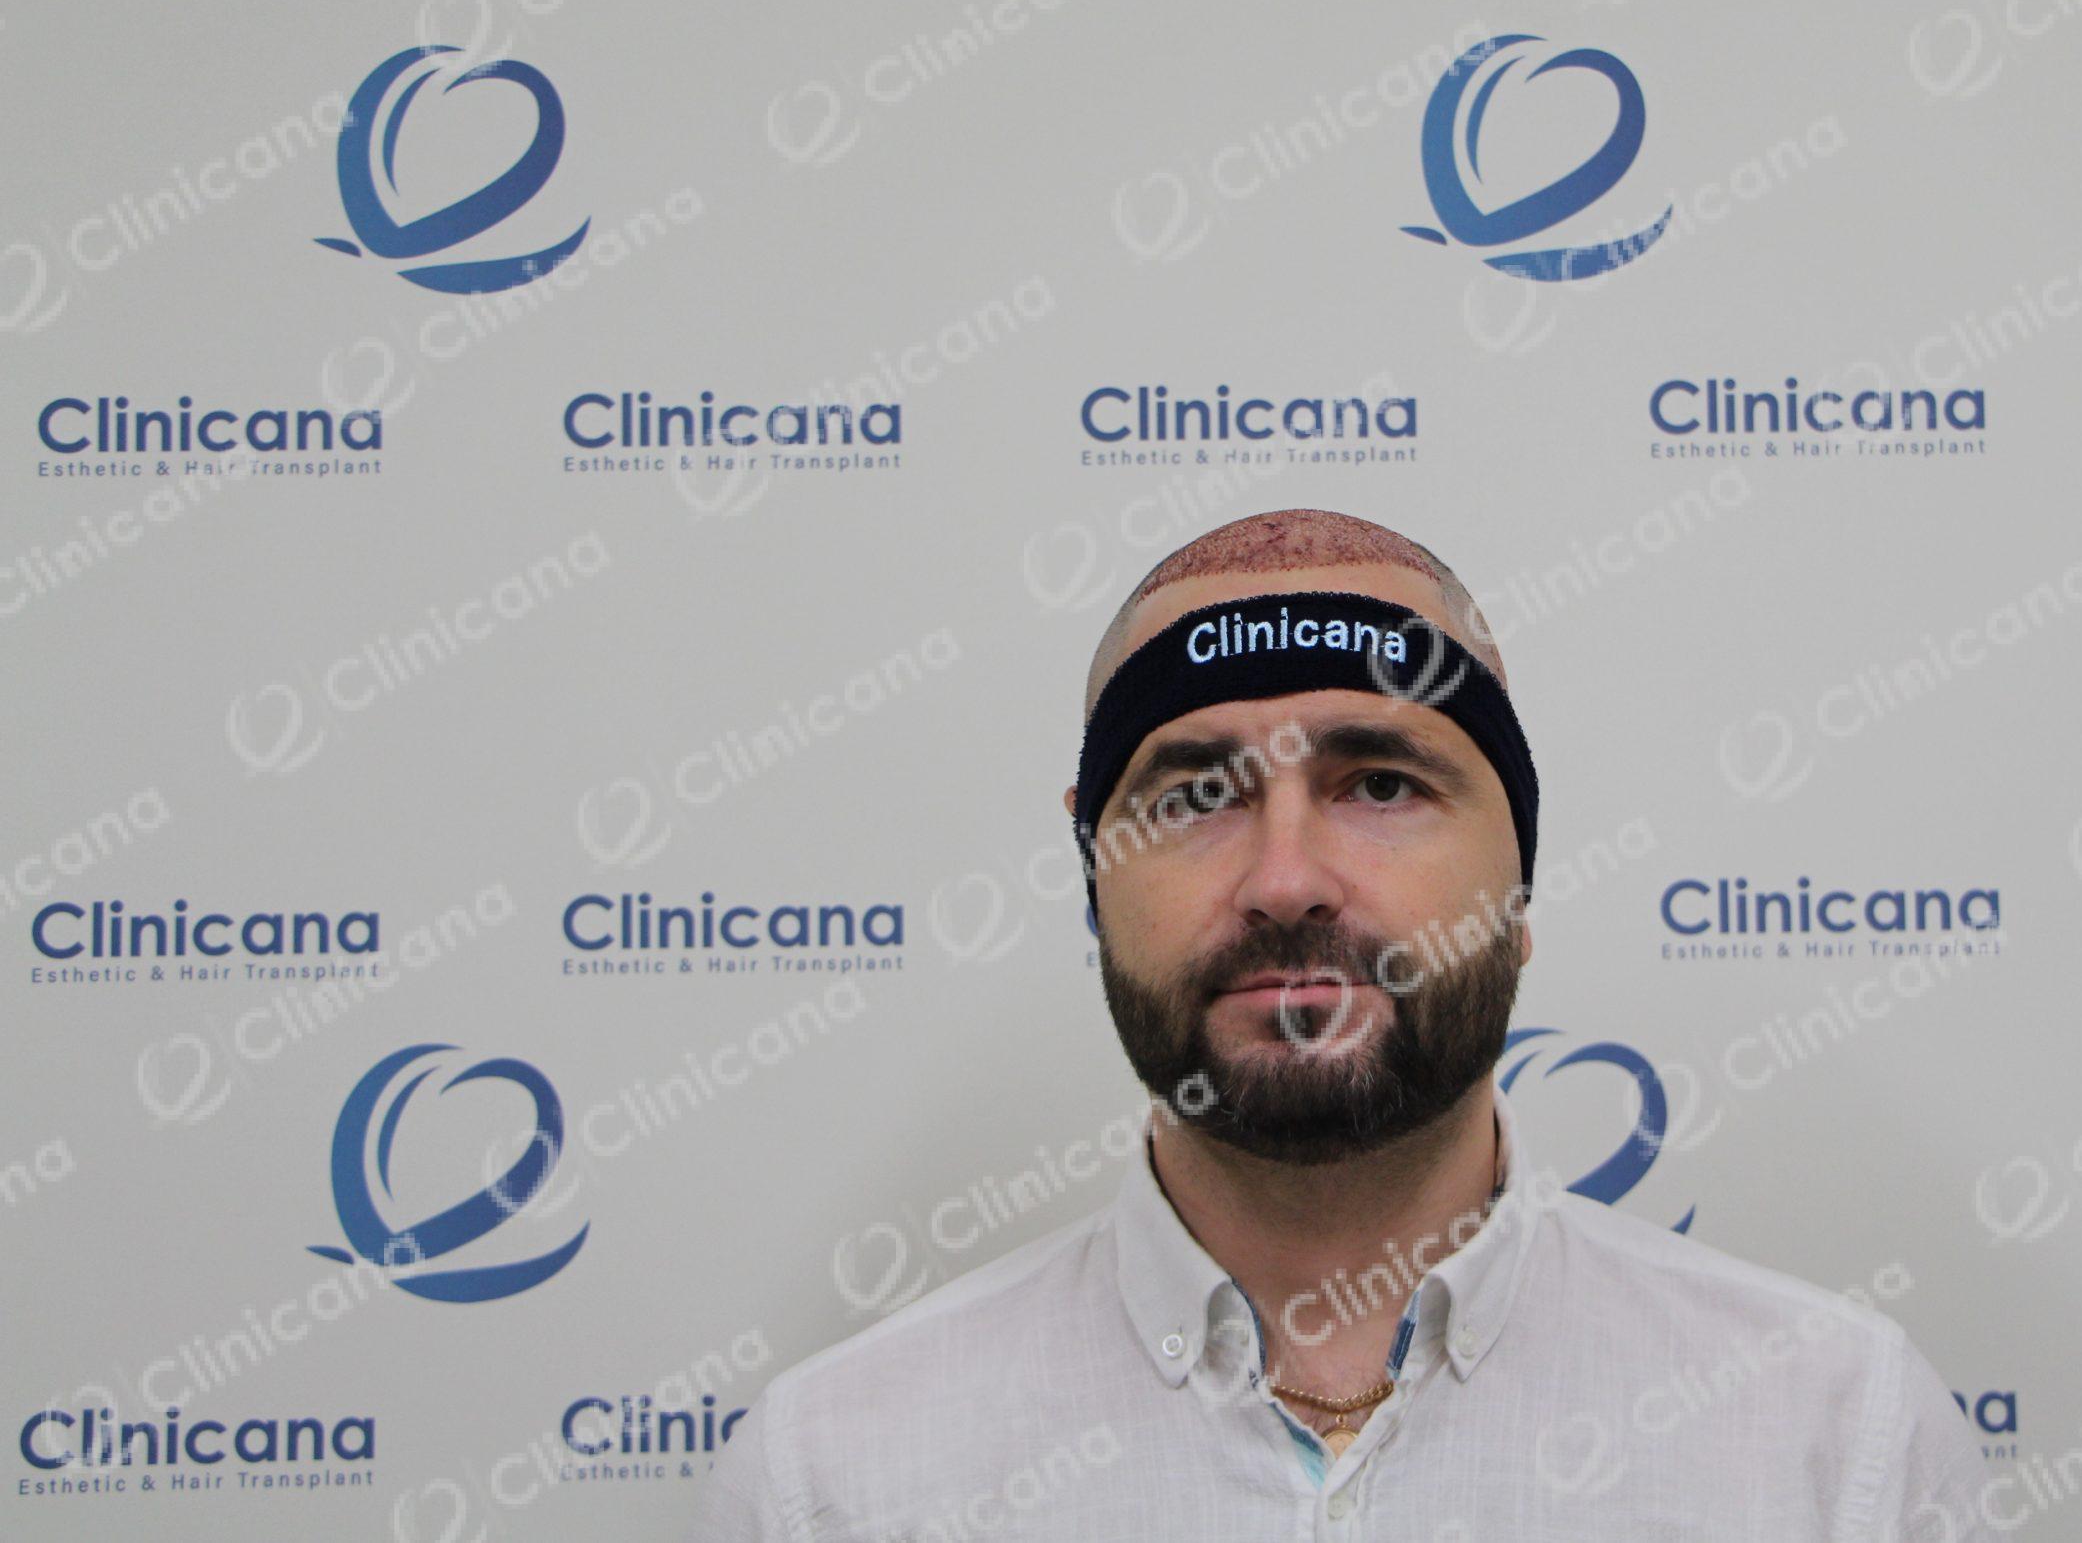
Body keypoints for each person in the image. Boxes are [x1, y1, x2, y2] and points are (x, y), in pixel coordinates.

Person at [688, 508, 1991, 1540]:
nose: (1285, 879)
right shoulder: (832, 1482)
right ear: (1097, 883)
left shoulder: (1837, 1445)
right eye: (1195, 794)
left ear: (1519, 889)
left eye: (1379, 782)